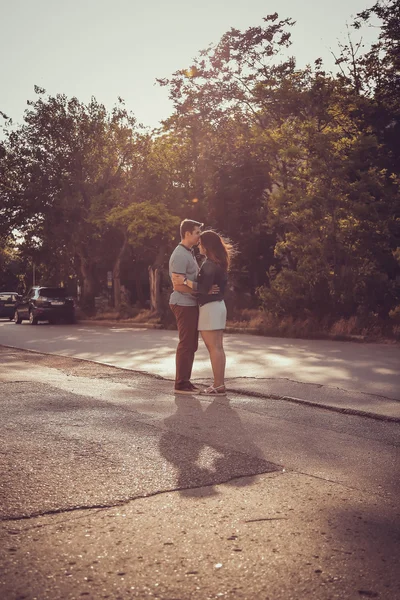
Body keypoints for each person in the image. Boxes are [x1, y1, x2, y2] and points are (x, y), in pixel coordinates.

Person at [172, 230, 233, 397]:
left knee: (214, 347)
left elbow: (204, 288)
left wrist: (183, 281)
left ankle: (218, 385)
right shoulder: (218, 262)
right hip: (218, 306)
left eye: (201, 243)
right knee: (218, 347)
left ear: (207, 245)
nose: (199, 245)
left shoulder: (209, 264)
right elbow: (207, 287)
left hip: (210, 308)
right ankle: (219, 384)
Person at [169, 219, 204, 395]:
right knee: (186, 344)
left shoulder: (188, 252)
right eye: (197, 232)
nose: (200, 236)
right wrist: (200, 290)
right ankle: (181, 384)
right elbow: (178, 285)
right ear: (188, 233)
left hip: (189, 303)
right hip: (182, 303)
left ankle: (185, 382)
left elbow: (187, 281)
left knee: (191, 344)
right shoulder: (180, 255)